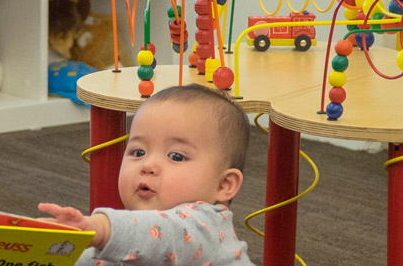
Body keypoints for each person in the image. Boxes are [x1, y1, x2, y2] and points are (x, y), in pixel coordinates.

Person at [39, 84, 255, 266]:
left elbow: (162, 234)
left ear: (223, 185)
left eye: (176, 156)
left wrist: (100, 229)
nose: (147, 165)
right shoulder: (130, 235)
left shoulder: (206, 225)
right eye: (138, 152)